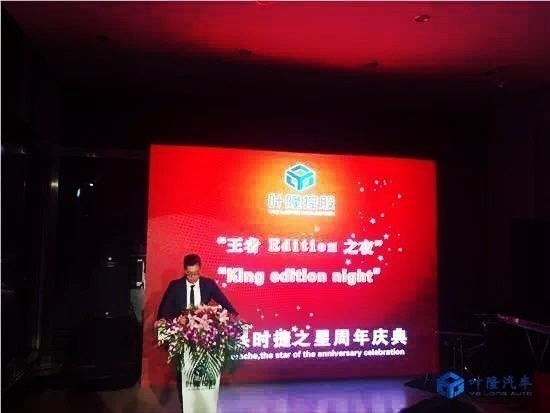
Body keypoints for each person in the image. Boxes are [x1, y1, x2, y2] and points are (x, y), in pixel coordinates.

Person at [157, 253, 238, 411]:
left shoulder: (208, 284)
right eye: (189, 274)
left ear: (200, 269)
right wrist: (170, 319)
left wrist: (235, 315)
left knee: (203, 372)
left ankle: (204, 405)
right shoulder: (175, 286)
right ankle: (186, 406)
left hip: (203, 337)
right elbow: (163, 310)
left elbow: (225, 303)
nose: (193, 277)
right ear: (184, 271)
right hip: (182, 336)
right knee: (184, 373)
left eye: (196, 273)